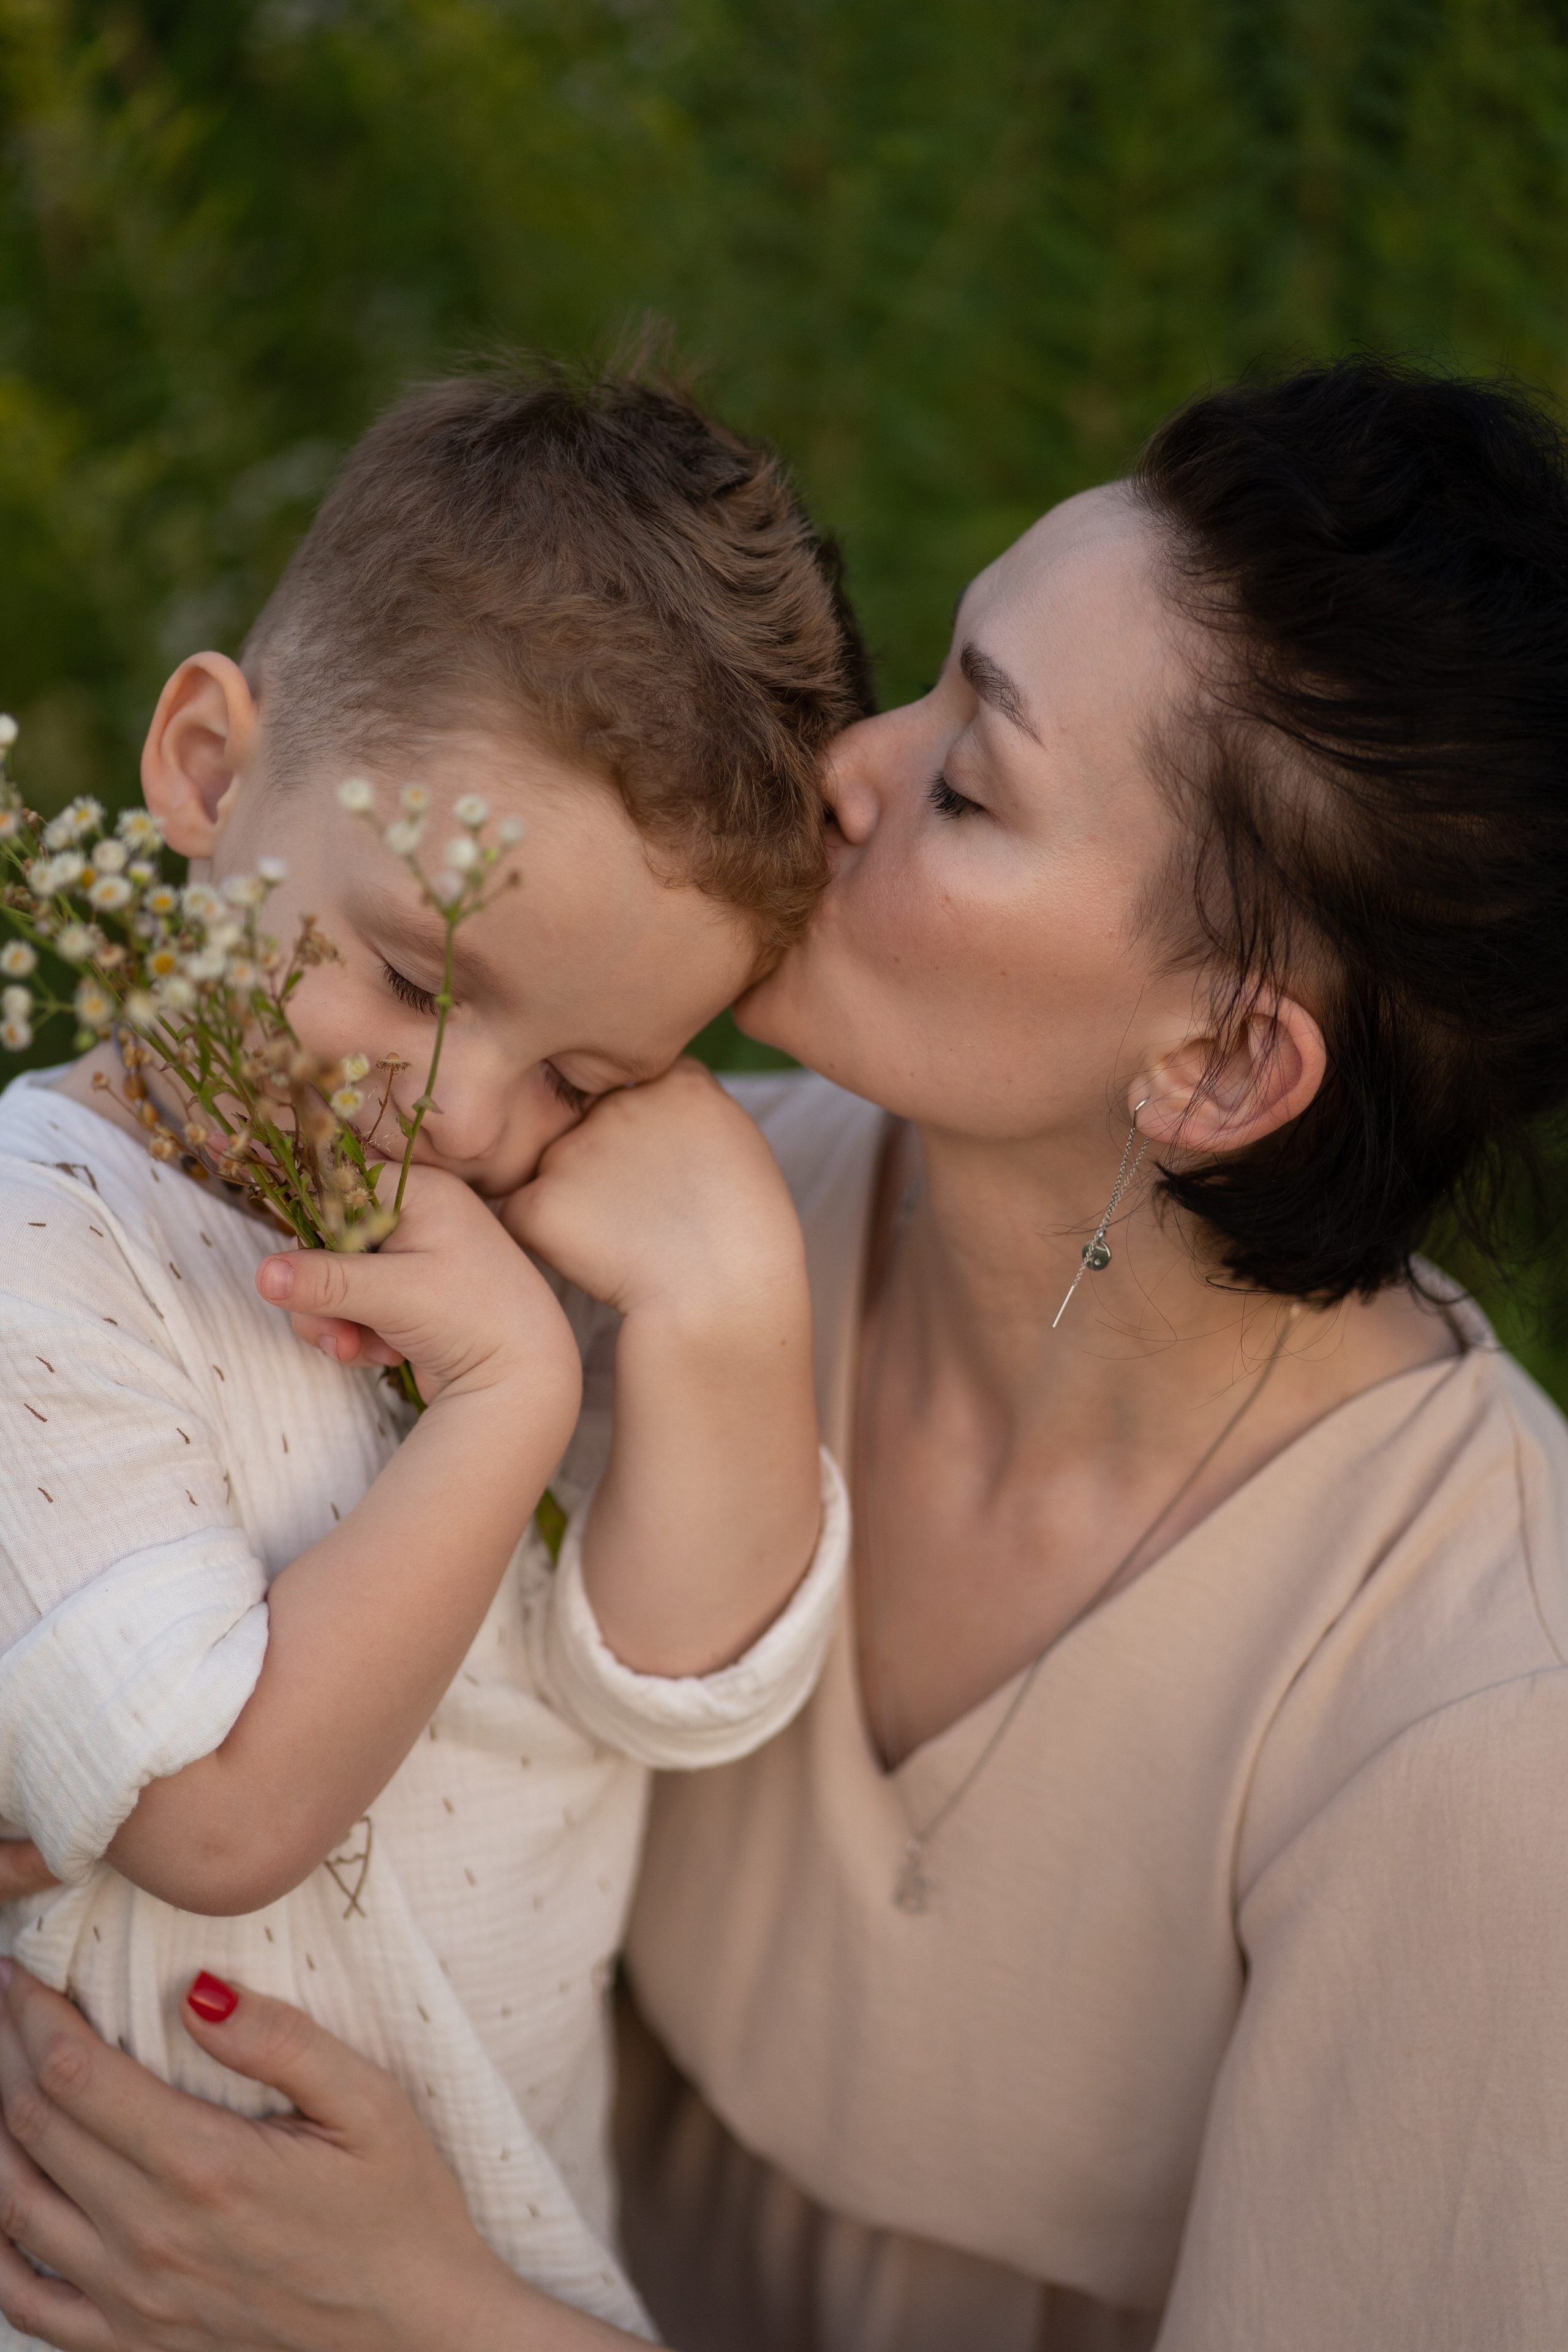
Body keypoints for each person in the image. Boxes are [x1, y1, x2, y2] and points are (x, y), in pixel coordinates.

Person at [1, 355, 1566, 2352]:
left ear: (1222, 1060)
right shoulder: (567, 1183)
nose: (841, 767)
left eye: (971, 783)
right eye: (935, 673)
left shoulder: (1492, 1735)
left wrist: (425, 2318)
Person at [0, 366, 869, 2339]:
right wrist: (508, 1408)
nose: (463, 1117)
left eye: (583, 1068)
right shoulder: (47, 1246)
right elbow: (212, 1814)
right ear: (211, 769)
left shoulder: (515, 1247)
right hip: (114, 2274)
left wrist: (723, 1312)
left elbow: (685, 1692)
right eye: (413, 974)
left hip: (482, 2267)